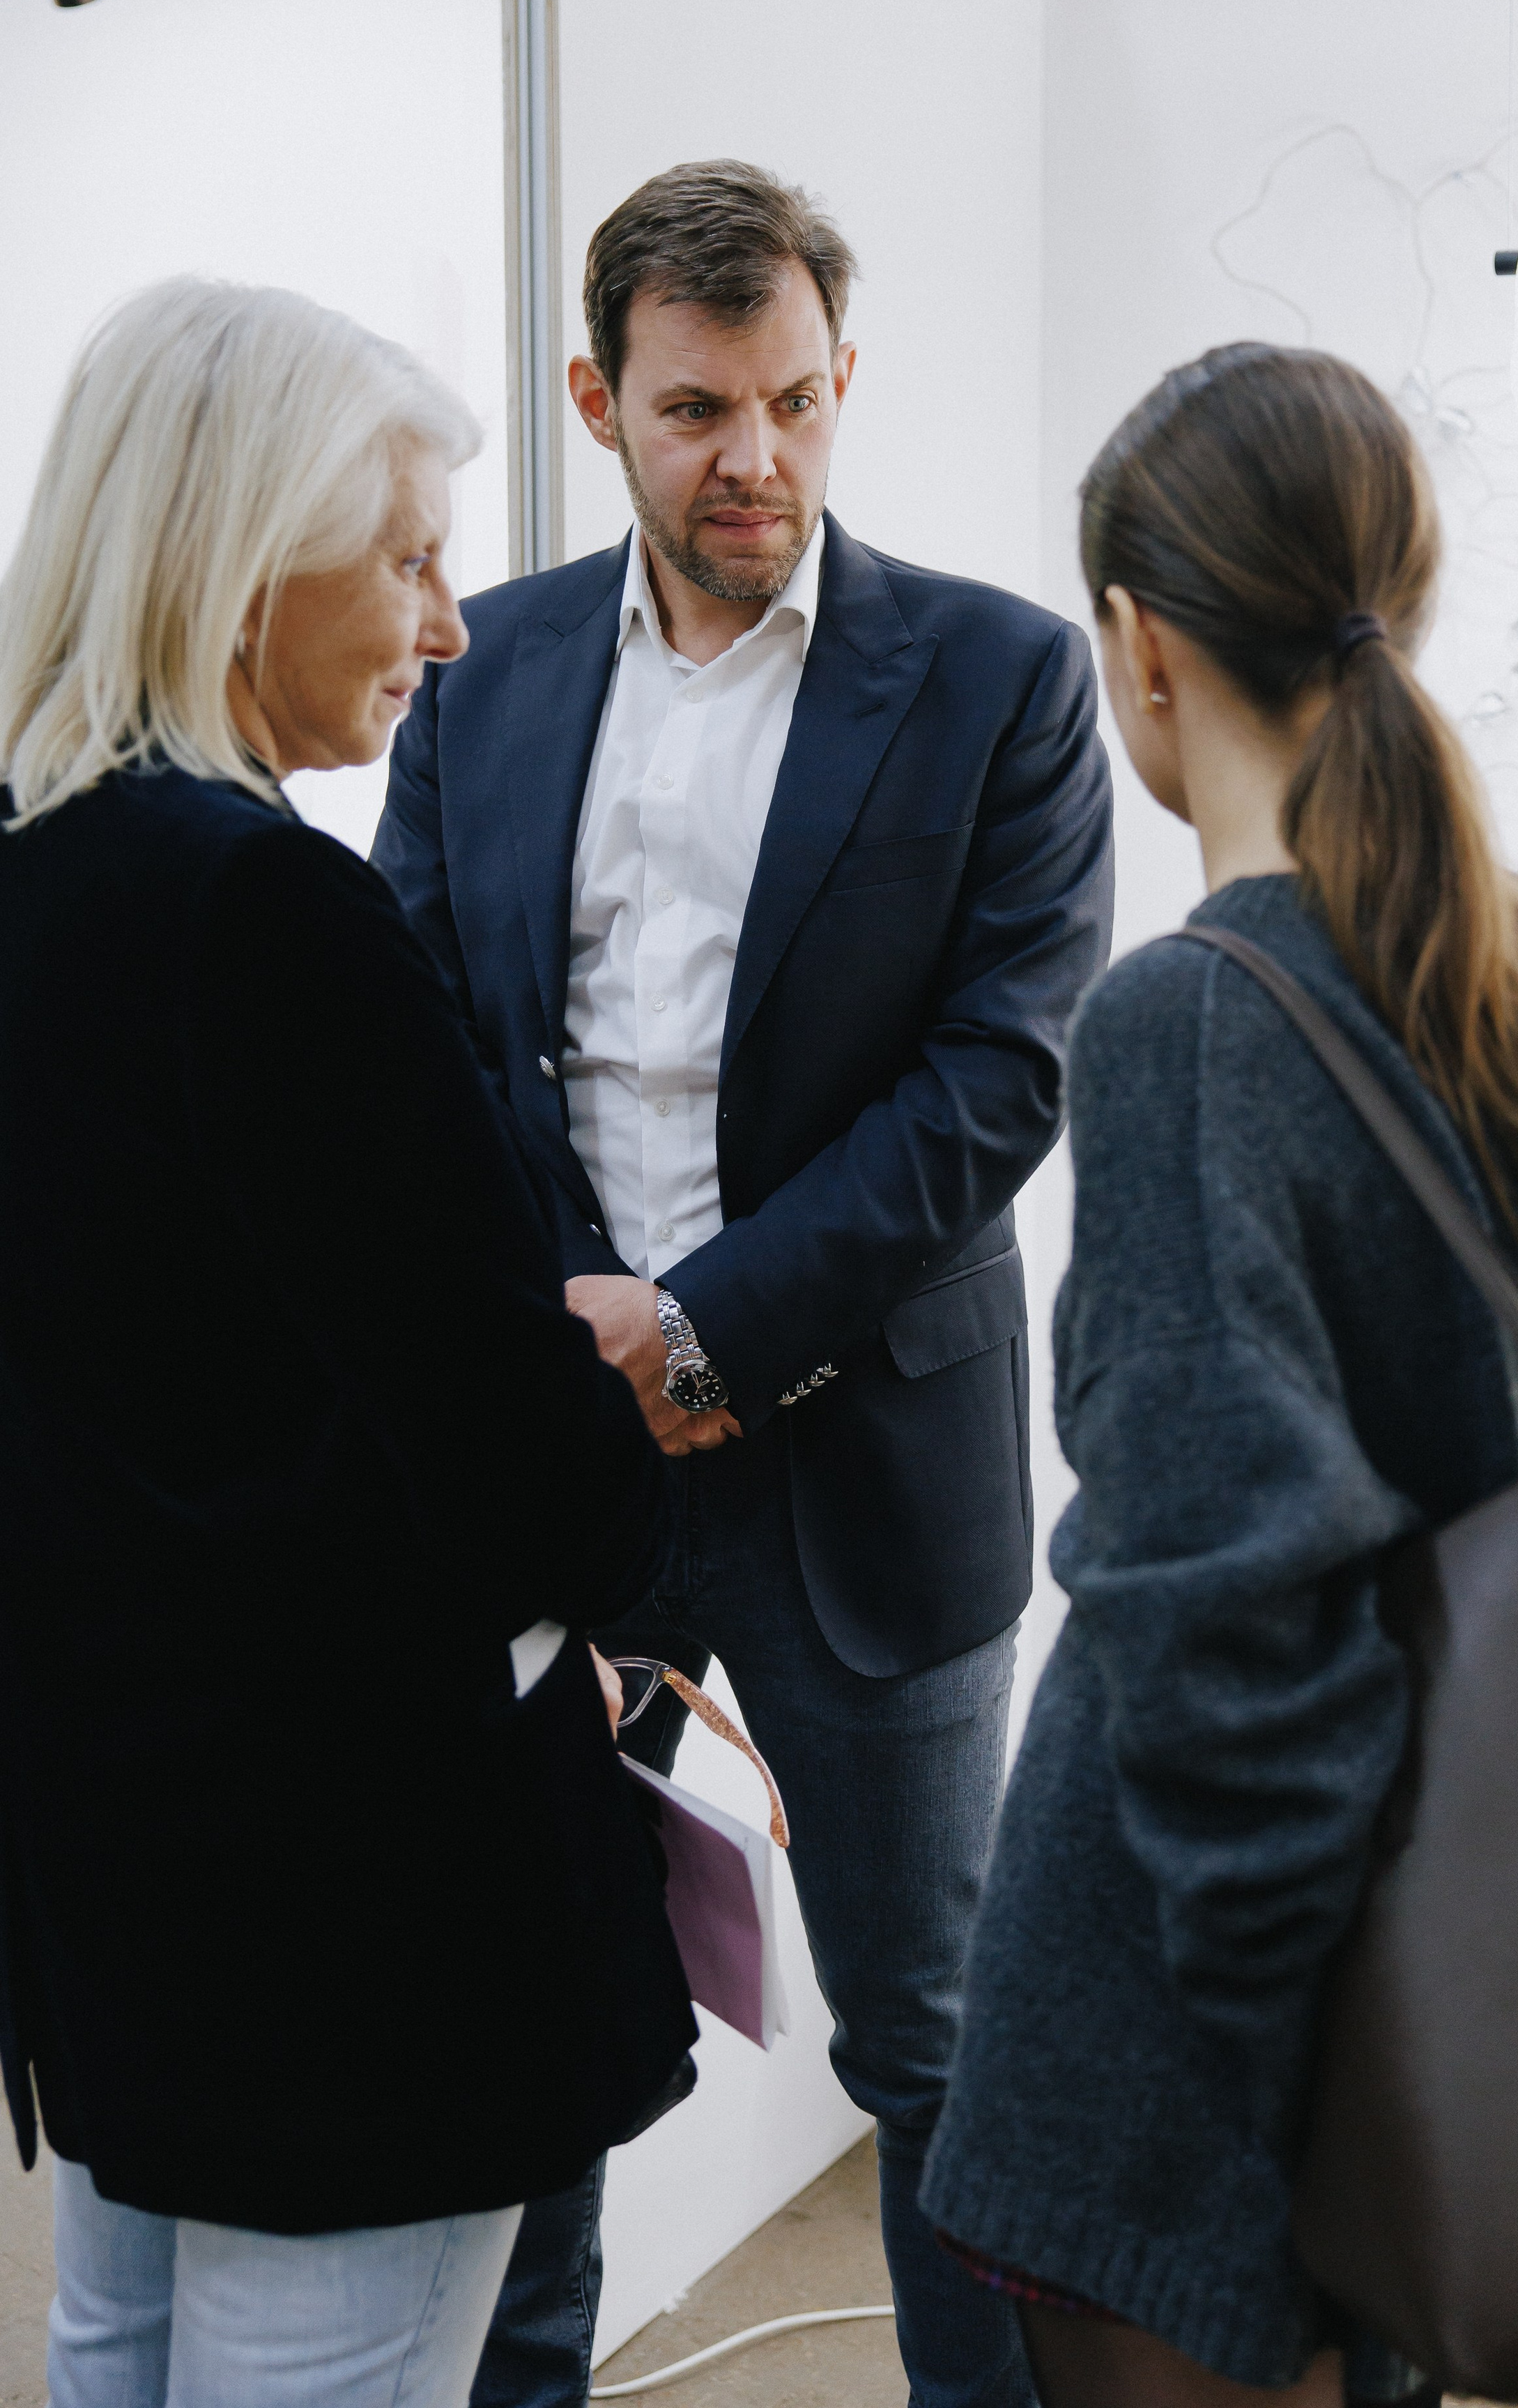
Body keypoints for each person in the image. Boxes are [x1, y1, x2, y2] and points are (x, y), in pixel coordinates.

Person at [920, 342, 1518, 2408]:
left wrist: (1320, 2129)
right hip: (1488, 1987)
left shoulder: (1186, 1024)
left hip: (1207, 2080)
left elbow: (1219, 1620)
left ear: (1137, 646)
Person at [372, 158, 1114, 2408]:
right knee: (552, 2008)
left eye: (798, 398)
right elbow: (413, 1032)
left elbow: (999, 1079)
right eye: (701, 409)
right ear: (602, 400)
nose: (759, 458)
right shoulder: (475, 669)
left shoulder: (1000, 675)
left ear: (844, 376)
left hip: (864, 1463)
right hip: (562, 1465)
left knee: (934, 2036)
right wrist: (582, 1322)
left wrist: (704, 1326)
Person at [0, 277, 697, 2408]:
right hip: (358, 1896)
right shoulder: (274, 916)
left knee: (117, 2358)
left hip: (116, 1855)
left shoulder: (35, 878)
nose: (451, 622)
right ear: (236, 563)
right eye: (406, 554)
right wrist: (606, 1391)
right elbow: (499, 1454)